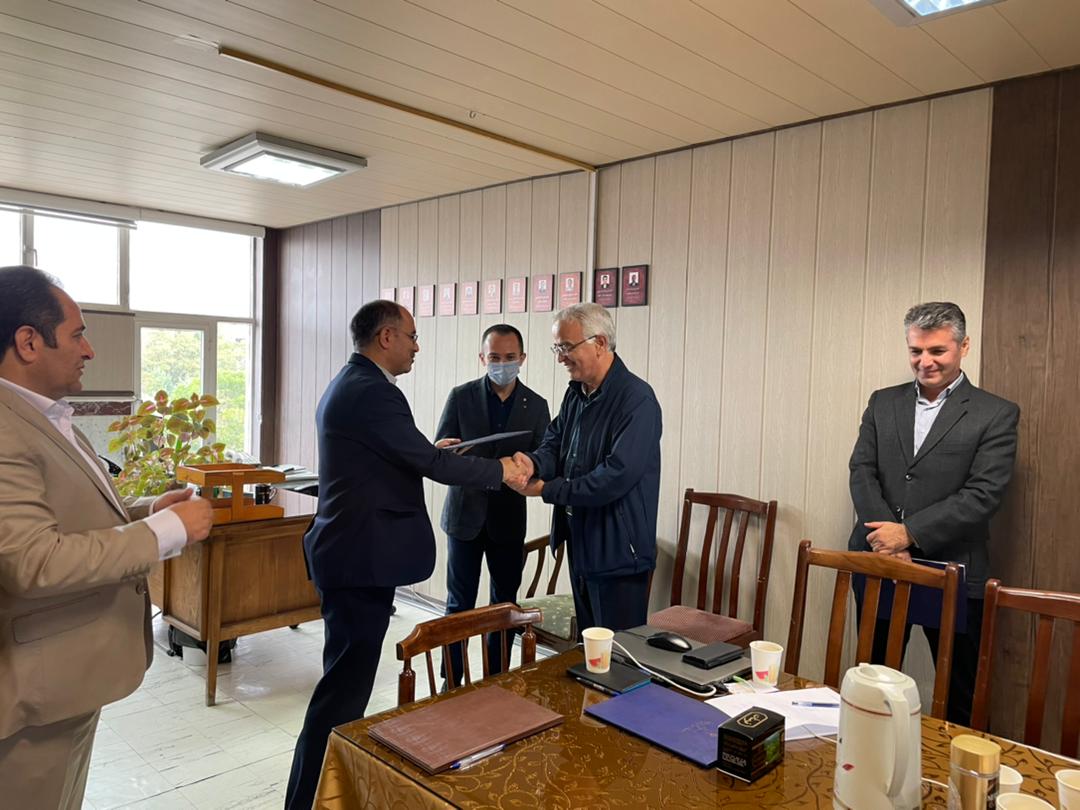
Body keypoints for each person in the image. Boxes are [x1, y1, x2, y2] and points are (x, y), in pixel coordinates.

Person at [285, 300, 530, 810]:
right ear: (387, 337)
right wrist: (499, 470)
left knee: (343, 690)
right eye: (413, 336)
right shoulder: (372, 391)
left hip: (352, 555)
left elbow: (402, 457)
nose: (418, 346)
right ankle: (309, 800)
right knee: (340, 697)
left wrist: (438, 452)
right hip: (358, 559)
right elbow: (425, 462)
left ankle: (323, 795)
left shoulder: (356, 384)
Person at [0, 265, 213, 810]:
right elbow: (32, 560)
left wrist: (147, 509)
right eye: (77, 334)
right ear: (28, 342)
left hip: (67, 678)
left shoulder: (42, 416)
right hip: (31, 692)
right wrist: (163, 531)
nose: (89, 350)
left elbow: (66, 516)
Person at [848, 301, 1019, 725]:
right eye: (916, 351)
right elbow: (862, 470)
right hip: (880, 561)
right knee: (874, 684)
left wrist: (907, 533)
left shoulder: (996, 413)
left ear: (964, 347)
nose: (925, 361)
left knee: (959, 696)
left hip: (953, 568)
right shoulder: (882, 402)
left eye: (937, 351)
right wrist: (888, 542)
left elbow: (983, 495)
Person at [510, 303, 661, 634]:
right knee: (589, 650)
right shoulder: (577, 394)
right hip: (580, 541)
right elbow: (555, 442)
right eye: (557, 348)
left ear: (600, 343)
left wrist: (547, 489)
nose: (560, 358)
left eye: (566, 347)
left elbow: (615, 476)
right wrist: (533, 462)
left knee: (618, 654)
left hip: (618, 552)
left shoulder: (637, 400)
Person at [434, 324, 550, 685]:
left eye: (510, 357)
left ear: (522, 359)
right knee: (459, 603)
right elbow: (440, 452)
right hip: (465, 517)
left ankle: (496, 678)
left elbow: (547, 457)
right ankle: (451, 680)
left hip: (508, 518)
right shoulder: (461, 396)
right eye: (495, 357)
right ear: (483, 358)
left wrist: (530, 468)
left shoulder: (537, 405)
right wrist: (442, 450)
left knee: (504, 605)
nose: (502, 364)